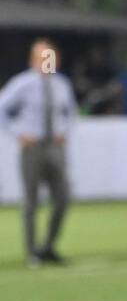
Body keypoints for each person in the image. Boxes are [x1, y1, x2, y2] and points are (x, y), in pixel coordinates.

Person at [0, 38, 77, 266]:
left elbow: (71, 112)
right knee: (31, 201)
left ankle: (49, 246)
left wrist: (65, 131)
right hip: (32, 148)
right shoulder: (22, 84)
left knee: (63, 197)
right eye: (42, 56)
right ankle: (32, 252)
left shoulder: (62, 84)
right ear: (33, 59)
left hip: (55, 146)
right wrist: (18, 134)